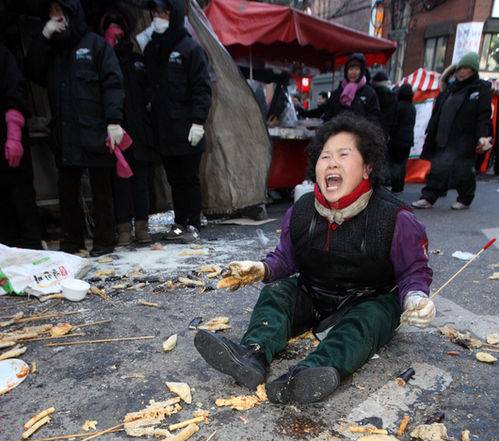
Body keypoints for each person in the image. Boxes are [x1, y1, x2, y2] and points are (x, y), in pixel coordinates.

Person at [194, 114, 434, 405]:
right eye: (325, 156)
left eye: (343, 155)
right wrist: (261, 269)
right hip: (315, 294)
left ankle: (309, 374)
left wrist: (415, 297)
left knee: (370, 317)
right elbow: (287, 258)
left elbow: (413, 270)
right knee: (277, 292)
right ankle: (252, 355)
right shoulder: (302, 210)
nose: (332, 163)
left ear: (367, 167)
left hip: (367, 300)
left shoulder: (395, 217)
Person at [26, 0, 125, 256]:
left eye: (59, 12)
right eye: (51, 13)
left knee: (101, 188)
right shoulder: (52, 49)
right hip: (65, 131)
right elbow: (33, 71)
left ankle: (104, 240)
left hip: (95, 129)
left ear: (72, 13)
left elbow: (113, 82)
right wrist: (43, 37)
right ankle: (73, 241)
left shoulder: (95, 45)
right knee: (67, 190)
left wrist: (114, 121)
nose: (56, 17)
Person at [143, 0, 211, 243]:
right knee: (174, 179)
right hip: (164, 128)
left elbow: (202, 88)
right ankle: (180, 222)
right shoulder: (153, 48)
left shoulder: (190, 49)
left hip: (187, 127)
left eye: (163, 13)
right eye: (155, 13)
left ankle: (192, 222)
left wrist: (198, 121)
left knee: (189, 178)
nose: (158, 18)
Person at [101, 9, 157, 247]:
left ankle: (142, 225)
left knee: (141, 181)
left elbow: (150, 91)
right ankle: (123, 226)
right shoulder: (103, 60)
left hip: (140, 130)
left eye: (118, 28)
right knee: (119, 182)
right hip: (115, 130)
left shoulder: (137, 61)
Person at [412, 52, 492, 211]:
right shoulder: (450, 88)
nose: (461, 71)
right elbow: (438, 112)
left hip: (464, 138)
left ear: (473, 70)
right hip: (443, 135)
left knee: (463, 169)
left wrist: (482, 136)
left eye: (466, 68)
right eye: (459, 68)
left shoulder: (480, 89)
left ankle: (465, 199)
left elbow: (483, 115)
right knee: (438, 166)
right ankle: (428, 197)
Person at [0, 42, 43, 250]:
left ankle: (32, 250)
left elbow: (16, 90)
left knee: (21, 198)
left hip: (8, 137)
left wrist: (14, 133)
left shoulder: (3, 55)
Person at [300, 54, 381, 124]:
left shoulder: (369, 92)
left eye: (356, 69)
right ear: (346, 72)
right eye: (351, 69)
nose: (353, 72)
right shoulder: (338, 92)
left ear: (361, 71)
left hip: (361, 135)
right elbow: (327, 113)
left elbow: (374, 118)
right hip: (339, 135)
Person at [389, 83, 416, 194]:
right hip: (408, 139)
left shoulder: (398, 106)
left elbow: (394, 123)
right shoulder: (412, 107)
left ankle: (395, 186)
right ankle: (400, 186)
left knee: (395, 163)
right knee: (402, 164)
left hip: (397, 139)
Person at [371, 70, 397, 139]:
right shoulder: (393, 96)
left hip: (371, 127)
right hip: (386, 129)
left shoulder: (372, 93)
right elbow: (394, 116)